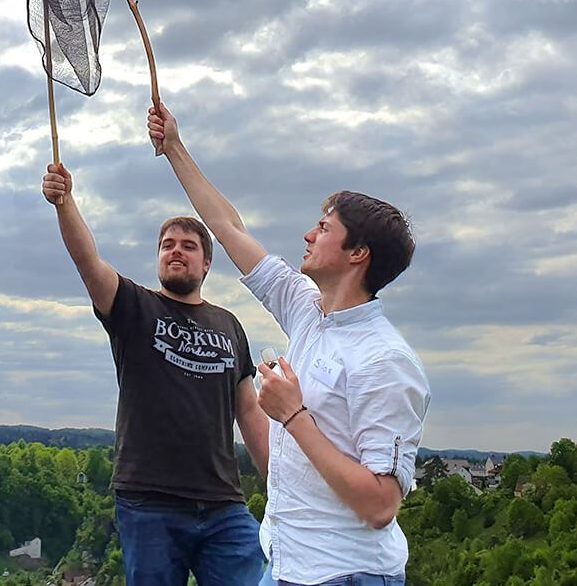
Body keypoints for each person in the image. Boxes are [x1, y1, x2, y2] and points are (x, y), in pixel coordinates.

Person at [147, 103, 431, 586]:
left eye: (323, 229)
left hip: (345, 574)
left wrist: (293, 415)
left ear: (357, 254)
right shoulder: (306, 307)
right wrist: (174, 147)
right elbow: (229, 228)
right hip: (287, 567)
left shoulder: (386, 360)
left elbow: (381, 504)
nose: (308, 234)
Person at [41, 162, 269, 586]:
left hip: (224, 505)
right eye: (167, 245)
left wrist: (283, 482)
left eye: (188, 245)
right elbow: (87, 260)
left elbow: (250, 411)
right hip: (150, 502)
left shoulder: (231, 326)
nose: (175, 250)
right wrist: (65, 202)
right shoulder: (133, 307)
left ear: (206, 265)